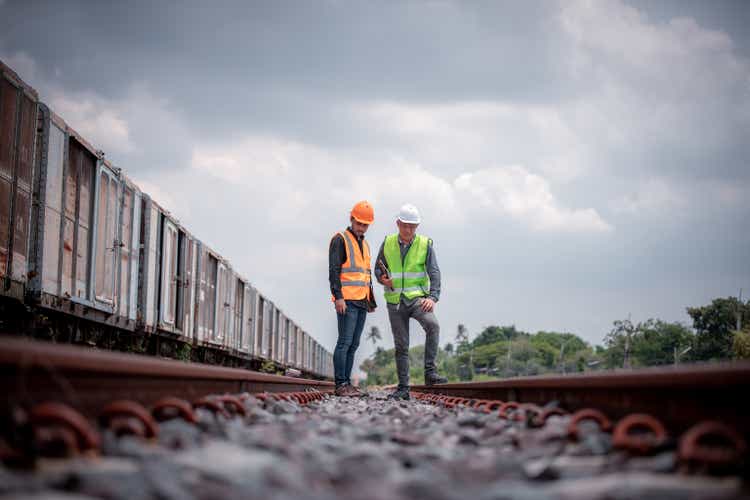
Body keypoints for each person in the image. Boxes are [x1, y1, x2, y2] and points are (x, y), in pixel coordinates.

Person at [375, 203, 447, 400]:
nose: (408, 230)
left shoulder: (425, 244)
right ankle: (403, 388)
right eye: (405, 225)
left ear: (417, 227)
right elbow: (378, 269)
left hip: (417, 299)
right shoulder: (388, 242)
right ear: (398, 223)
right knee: (401, 346)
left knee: (433, 326)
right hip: (395, 301)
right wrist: (382, 278)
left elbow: (434, 272)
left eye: (412, 226)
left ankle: (430, 373)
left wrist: (432, 297)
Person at [329, 200, 376, 397]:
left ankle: (347, 383)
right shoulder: (340, 239)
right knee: (344, 342)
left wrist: (370, 301)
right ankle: (341, 384)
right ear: (351, 219)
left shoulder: (364, 244)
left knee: (354, 344)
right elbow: (334, 271)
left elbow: (366, 275)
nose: (362, 227)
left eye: (365, 224)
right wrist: (338, 297)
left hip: (361, 302)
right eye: (359, 223)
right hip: (346, 301)